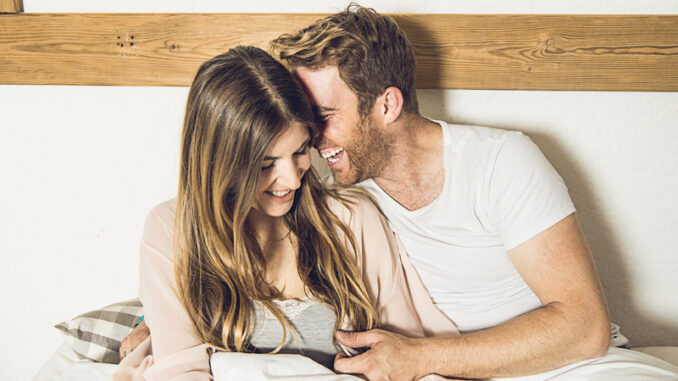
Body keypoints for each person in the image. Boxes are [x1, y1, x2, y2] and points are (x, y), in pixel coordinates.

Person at [269, 4, 678, 381]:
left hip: (582, 367)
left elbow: (585, 327)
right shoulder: (346, 199)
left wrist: (420, 357)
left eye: (324, 115)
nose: (313, 135)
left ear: (387, 106)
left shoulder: (499, 161)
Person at [115, 45, 453, 380]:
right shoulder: (170, 231)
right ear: (220, 164)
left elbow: (411, 353)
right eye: (266, 164)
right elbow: (180, 370)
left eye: (301, 150)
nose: (292, 178)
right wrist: (150, 323)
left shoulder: (352, 219)